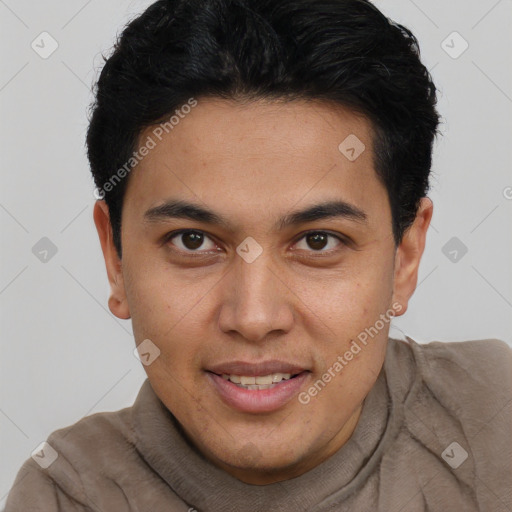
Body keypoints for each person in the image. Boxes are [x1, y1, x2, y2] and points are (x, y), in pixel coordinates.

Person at [4, 0, 511, 510]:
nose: (253, 317)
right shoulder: (64, 497)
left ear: (405, 256)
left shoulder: (497, 421)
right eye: (193, 241)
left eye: (318, 241)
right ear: (115, 258)